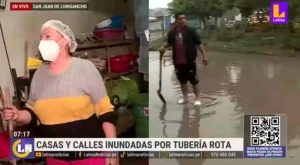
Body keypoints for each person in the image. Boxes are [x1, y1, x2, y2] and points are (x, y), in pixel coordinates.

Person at [3, 20, 119, 165]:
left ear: (65, 41)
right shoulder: (39, 75)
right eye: (41, 38)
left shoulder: (85, 68)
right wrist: (18, 114)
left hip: (90, 156)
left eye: (47, 36)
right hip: (56, 157)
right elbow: (33, 113)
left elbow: (106, 112)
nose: (42, 42)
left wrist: (113, 151)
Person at [159, 12, 208, 106]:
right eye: (180, 18)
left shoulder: (191, 31)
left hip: (189, 60)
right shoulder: (172, 33)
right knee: (182, 81)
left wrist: (204, 56)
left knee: (194, 80)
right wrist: (163, 48)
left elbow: (199, 43)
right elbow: (169, 43)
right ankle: (185, 98)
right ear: (176, 20)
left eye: (184, 18)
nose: (182, 20)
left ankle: (197, 99)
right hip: (177, 61)